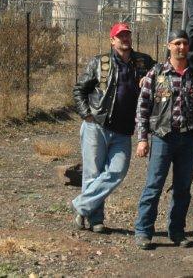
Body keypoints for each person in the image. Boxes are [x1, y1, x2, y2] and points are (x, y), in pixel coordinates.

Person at [72, 23, 155, 232]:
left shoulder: (143, 62)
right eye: (120, 36)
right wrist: (87, 114)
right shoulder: (100, 62)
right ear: (112, 40)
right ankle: (96, 220)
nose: (125, 39)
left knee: (118, 170)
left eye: (127, 35)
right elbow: (80, 89)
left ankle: (81, 205)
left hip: (123, 130)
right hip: (97, 126)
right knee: (93, 173)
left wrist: (150, 80)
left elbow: (161, 76)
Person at [134, 31, 193, 249]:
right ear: (169, 46)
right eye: (177, 43)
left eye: (185, 43)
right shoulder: (156, 73)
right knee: (154, 185)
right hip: (162, 137)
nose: (181, 47)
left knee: (183, 188)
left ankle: (177, 231)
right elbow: (143, 107)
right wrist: (142, 139)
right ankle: (143, 231)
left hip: (188, 139)